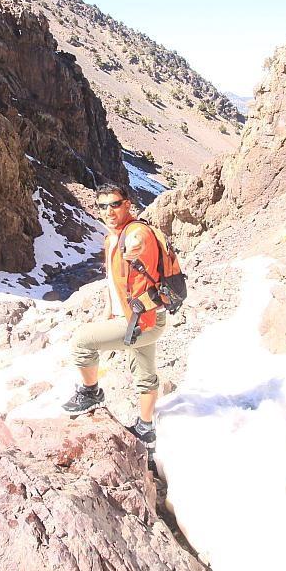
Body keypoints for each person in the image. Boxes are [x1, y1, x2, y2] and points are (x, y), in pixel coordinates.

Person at [61, 182, 167, 448]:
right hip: (145, 318)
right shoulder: (112, 237)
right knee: (145, 373)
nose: (109, 211)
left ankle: (91, 392)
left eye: (115, 204)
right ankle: (146, 429)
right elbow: (114, 280)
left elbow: (140, 245)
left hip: (141, 322)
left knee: (81, 342)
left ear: (127, 204)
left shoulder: (135, 233)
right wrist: (109, 310)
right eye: (102, 206)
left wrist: (134, 241)